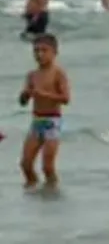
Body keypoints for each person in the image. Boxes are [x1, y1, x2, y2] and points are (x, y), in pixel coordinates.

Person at [18, 34, 70, 190]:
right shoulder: (32, 75)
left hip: (52, 122)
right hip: (37, 121)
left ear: (54, 52)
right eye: (36, 51)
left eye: (44, 50)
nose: (39, 54)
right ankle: (32, 188)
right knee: (25, 164)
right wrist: (25, 95)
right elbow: (22, 102)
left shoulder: (58, 73)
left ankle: (52, 192)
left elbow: (66, 98)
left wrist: (44, 94)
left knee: (47, 166)